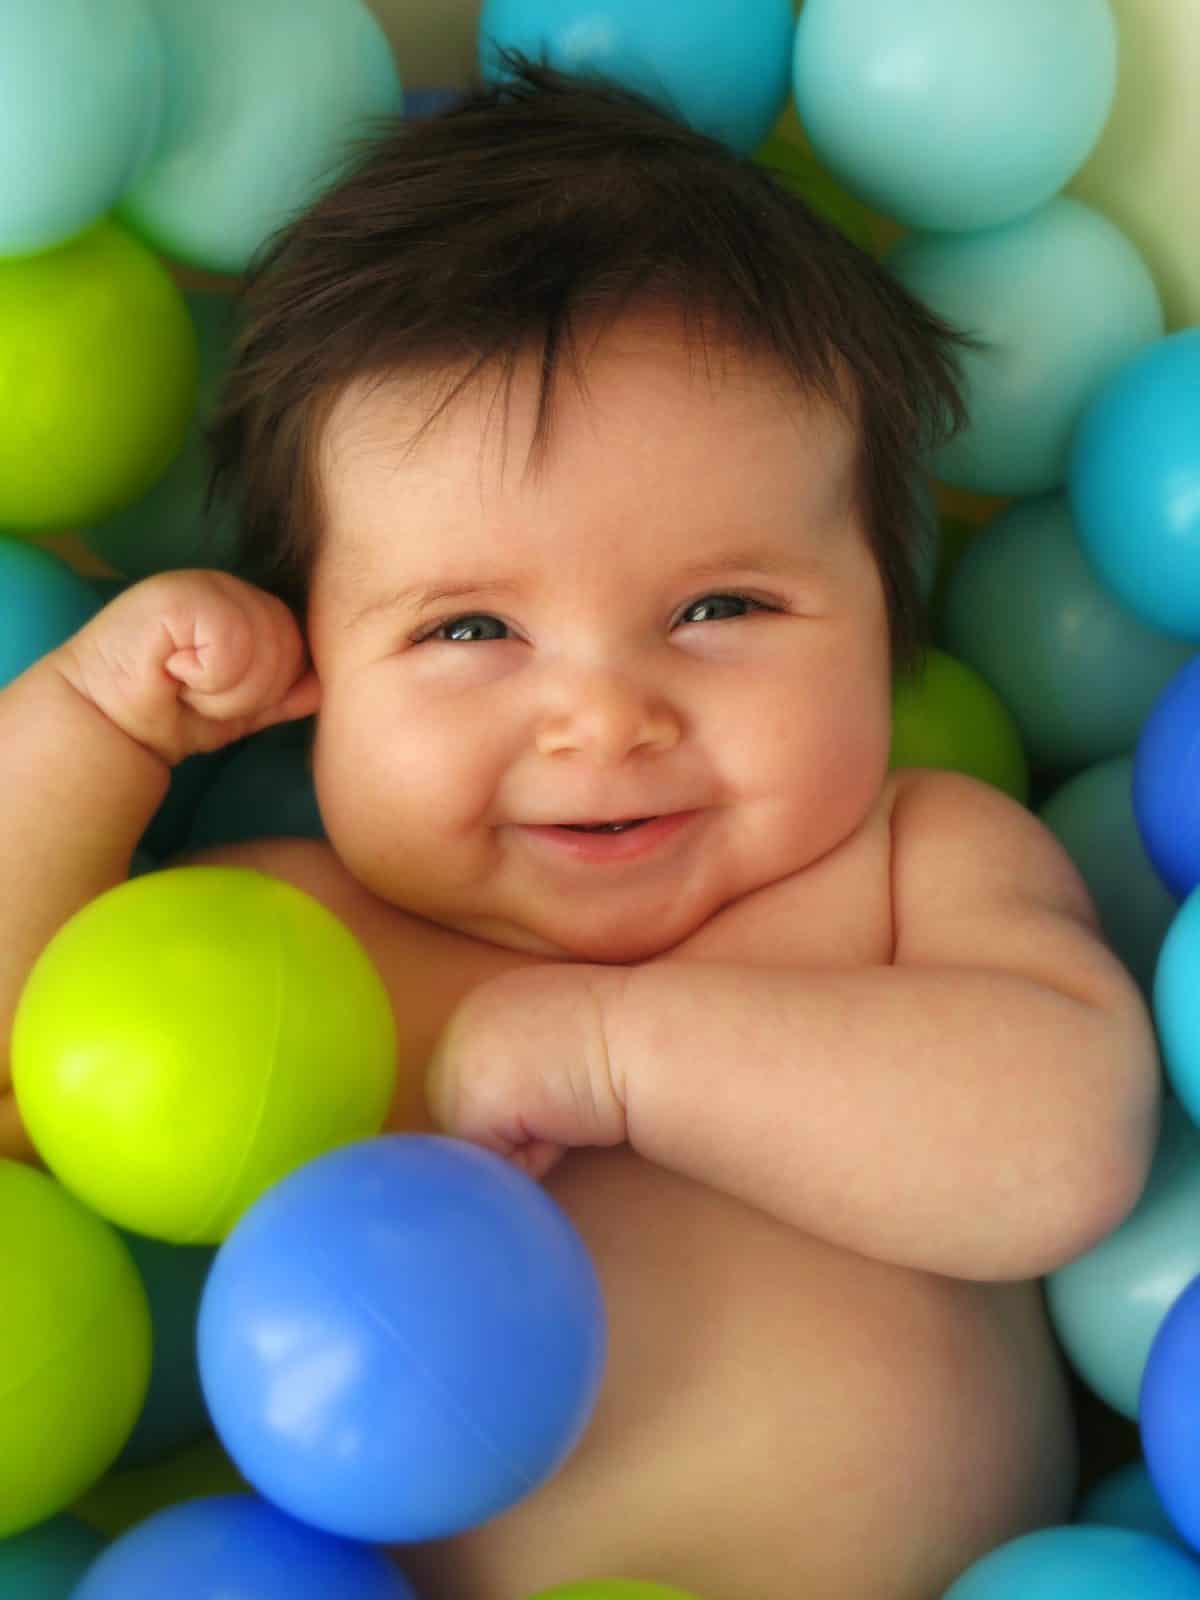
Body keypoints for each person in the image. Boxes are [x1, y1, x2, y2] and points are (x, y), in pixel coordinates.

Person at [0, 62, 1160, 1600]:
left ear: (895, 624)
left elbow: (1064, 1151)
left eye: (719, 608)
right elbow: (29, 1089)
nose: (604, 720)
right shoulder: (284, 948)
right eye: (473, 627)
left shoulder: (906, 870)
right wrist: (85, 734)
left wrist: (618, 1055)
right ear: (316, 671)